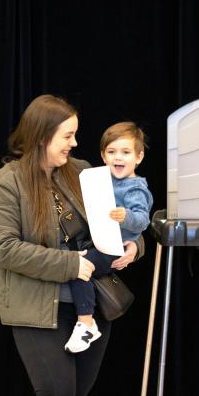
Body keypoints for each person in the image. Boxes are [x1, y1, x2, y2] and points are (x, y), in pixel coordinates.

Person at [0, 95, 144, 396]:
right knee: (55, 394)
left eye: (74, 134)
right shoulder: (5, 183)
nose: (74, 142)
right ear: (41, 135)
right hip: (37, 307)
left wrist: (134, 245)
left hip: (91, 304)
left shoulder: (85, 173)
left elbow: (120, 222)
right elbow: (4, 248)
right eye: (66, 135)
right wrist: (70, 264)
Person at [63, 122, 153, 353]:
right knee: (79, 267)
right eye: (111, 152)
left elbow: (143, 220)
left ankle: (86, 323)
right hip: (101, 240)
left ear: (139, 157)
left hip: (113, 246)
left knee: (80, 269)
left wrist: (127, 216)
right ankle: (86, 321)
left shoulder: (135, 188)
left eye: (125, 152)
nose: (118, 158)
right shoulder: (102, 179)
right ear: (103, 156)